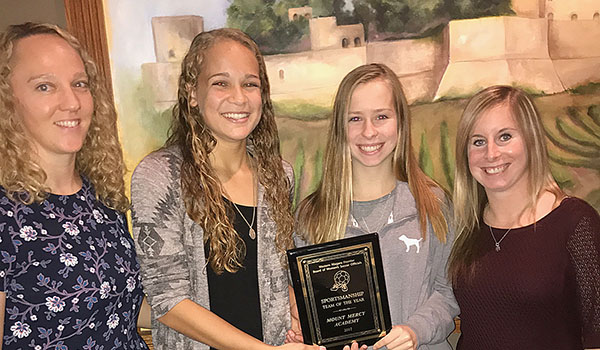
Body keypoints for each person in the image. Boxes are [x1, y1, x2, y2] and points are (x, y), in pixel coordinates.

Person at [130, 28, 323, 350]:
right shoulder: (160, 176)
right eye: (221, 83)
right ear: (193, 93)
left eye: (250, 83)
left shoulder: (280, 175)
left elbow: (266, 276)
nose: (239, 97)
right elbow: (167, 300)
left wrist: (291, 304)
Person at [0, 22, 149, 349]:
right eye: (44, 87)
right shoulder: (6, 214)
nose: (71, 102)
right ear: (7, 101)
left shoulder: (102, 199)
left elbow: (123, 308)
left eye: (79, 84)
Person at [293, 63, 459, 350]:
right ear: (339, 128)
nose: (369, 132)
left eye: (381, 116)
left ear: (401, 123)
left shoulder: (434, 204)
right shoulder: (312, 216)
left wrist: (415, 331)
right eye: (355, 118)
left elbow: (448, 293)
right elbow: (309, 311)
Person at [448, 85, 600, 349]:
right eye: (478, 141)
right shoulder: (465, 226)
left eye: (505, 136)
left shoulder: (575, 223)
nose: (491, 153)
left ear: (531, 139)